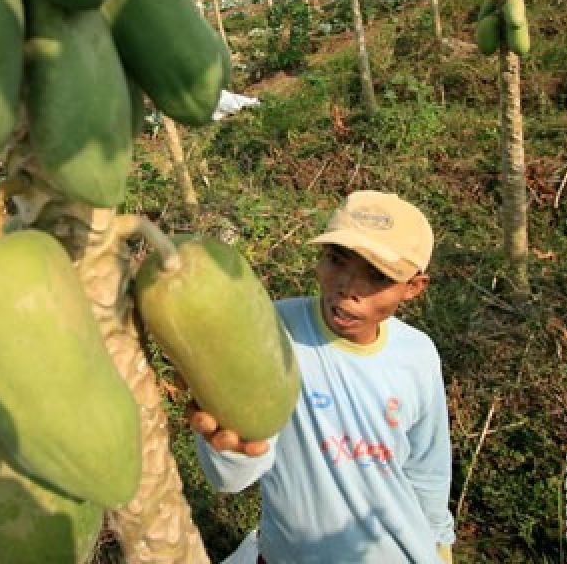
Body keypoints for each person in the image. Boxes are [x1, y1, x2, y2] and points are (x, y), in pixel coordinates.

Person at [190, 191, 455, 564]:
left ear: (414, 287)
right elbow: (232, 479)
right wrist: (228, 443)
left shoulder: (418, 355)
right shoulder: (272, 332)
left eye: (377, 276)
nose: (348, 287)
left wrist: (440, 545)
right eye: (336, 260)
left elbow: (428, 468)